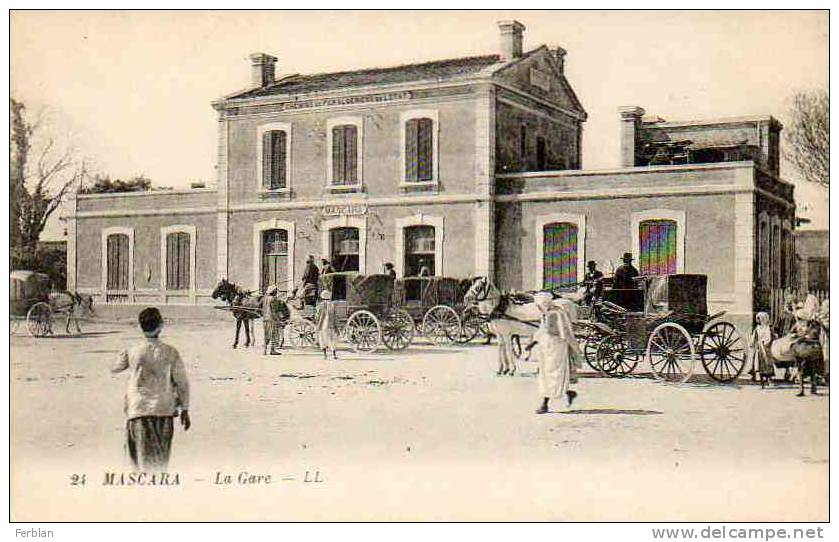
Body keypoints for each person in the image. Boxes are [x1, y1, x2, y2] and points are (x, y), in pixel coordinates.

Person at [111, 307, 190, 472]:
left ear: (141, 327)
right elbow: (182, 383)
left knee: (138, 463)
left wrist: (122, 355)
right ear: (160, 326)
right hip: (164, 410)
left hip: (138, 410)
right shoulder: (171, 352)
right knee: (160, 460)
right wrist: (185, 409)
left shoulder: (133, 350)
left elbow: (115, 368)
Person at [529, 292, 584, 414]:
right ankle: (567, 393)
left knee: (554, 374)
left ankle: (545, 403)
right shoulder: (547, 313)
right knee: (546, 374)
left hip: (557, 348)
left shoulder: (557, 313)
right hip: (546, 348)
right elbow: (542, 330)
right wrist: (533, 342)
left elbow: (562, 332)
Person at [262, 285, 290, 355]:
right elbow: (274, 311)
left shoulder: (265, 298)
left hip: (265, 318)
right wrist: (279, 319)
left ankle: (264, 350)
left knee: (266, 334)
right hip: (272, 319)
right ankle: (272, 350)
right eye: (276, 291)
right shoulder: (274, 299)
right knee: (273, 334)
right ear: (274, 292)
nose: (276, 293)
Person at [749, 312, 775, 388]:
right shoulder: (757, 328)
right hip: (759, 348)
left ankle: (769, 380)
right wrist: (752, 343)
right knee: (759, 363)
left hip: (766, 348)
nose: (758, 320)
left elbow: (770, 337)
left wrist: (766, 342)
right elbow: (754, 337)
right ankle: (762, 382)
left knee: (767, 363)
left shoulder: (768, 328)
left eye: (759, 318)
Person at [315, 289, 338, 359]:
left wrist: (316, 321)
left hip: (322, 326)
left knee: (323, 340)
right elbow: (335, 316)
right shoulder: (332, 305)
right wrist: (336, 325)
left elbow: (317, 315)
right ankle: (334, 355)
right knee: (332, 340)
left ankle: (325, 355)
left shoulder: (320, 305)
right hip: (331, 325)